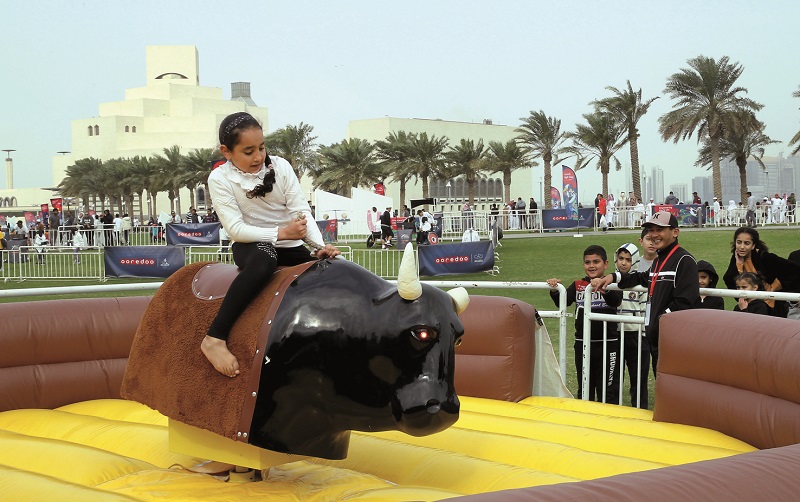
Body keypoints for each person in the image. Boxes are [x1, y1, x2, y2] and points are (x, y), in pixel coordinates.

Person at [202, 112, 340, 377]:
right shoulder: (219, 179)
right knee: (265, 260)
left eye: (262, 148)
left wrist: (318, 247)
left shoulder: (282, 167)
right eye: (248, 151)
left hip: (289, 244)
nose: (258, 157)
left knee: (332, 271)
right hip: (251, 245)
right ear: (226, 151)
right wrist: (282, 233)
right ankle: (214, 338)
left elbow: (301, 212)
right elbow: (236, 229)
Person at [591, 211, 699, 376]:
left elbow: (685, 302)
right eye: (651, 230)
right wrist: (613, 276)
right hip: (658, 340)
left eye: (660, 229)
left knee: (674, 390)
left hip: (673, 342)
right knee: (663, 388)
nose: (654, 235)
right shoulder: (658, 260)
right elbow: (641, 278)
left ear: (675, 232)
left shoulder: (684, 260)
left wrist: (658, 321)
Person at [547, 245, 622, 404]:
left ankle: (607, 423)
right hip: (582, 344)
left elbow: (616, 301)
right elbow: (564, 301)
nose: (592, 266)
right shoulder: (578, 285)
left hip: (608, 345)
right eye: (588, 262)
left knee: (608, 389)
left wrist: (602, 287)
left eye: (596, 262)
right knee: (585, 387)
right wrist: (555, 289)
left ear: (606, 264)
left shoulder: (612, 283)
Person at [722, 227, 800, 317]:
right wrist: (739, 266)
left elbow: (793, 270)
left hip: (772, 307)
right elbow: (732, 281)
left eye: (746, 243)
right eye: (739, 242)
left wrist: (773, 288)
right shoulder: (736, 259)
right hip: (751, 306)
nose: (742, 247)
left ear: (753, 245)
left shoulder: (765, 257)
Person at [614, 243, 649, 409]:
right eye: (621, 258)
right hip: (616, 336)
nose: (623, 263)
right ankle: (614, 409)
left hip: (636, 336)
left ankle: (640, 409)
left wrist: (643, 337)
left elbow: (643, 311)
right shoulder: (611, 282)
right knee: (615, 377)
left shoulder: (640, 285)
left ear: (634, 262)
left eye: (628, 259)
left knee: (638, 378)